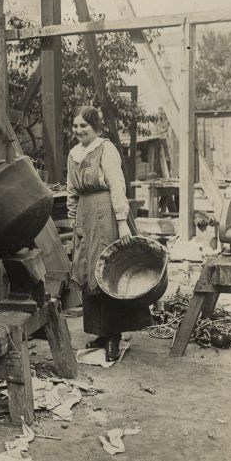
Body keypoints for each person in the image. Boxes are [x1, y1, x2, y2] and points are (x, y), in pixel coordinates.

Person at [66, 106, 152, 361]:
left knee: (108, 273)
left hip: (106, 215)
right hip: (85, 216)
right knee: (88, 273)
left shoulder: (107, 149)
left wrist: (122, 221)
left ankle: (114, 334)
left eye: (84, 126)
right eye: (76, 126)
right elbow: (72, 190)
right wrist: (74, 220)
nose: (79, 130)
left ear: (96, 128)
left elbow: (117, 186)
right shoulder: (73, 154)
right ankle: (100, 332)